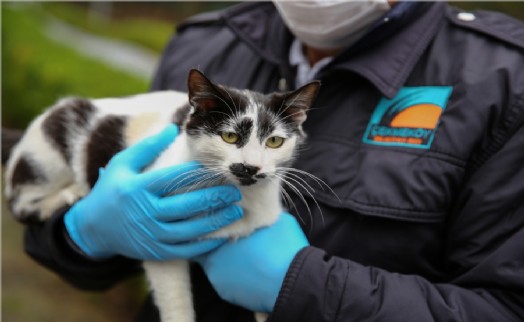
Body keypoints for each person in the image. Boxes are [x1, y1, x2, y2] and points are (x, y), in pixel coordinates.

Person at [23, 1, 524, 321]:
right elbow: (93, 264)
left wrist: (307, 287)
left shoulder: (503, 81)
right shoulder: (204, 41)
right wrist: (80, 236)